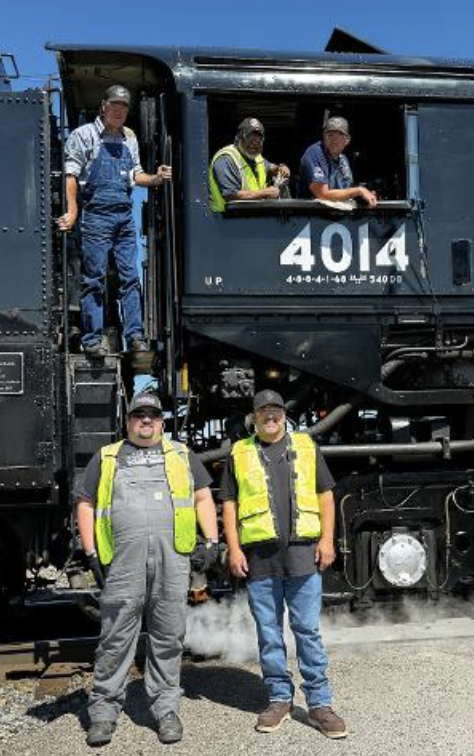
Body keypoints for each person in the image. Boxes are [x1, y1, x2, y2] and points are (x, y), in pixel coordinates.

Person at [75, 392, 219, 747]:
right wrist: (91, 551)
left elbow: (202, 497)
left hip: (173, 560)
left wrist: (212, 541)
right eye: (139, 414)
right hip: (123, 562)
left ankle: (166, 709)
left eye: (152, 415)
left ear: (162, 422)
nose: (146, 420)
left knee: (168, 637)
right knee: (115, 638)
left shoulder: (182, 455)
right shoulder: (107, 457)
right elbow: (85, 502)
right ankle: (104, 712)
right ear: (128, 420)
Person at [219, 389, 347, 739]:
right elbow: (229, 503)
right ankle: (279, 699)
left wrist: (327, 540)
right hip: (260, 558)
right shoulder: (239, 452)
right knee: (269, 633)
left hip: (303, 554)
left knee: (307, 630)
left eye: (276, 410)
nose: (270, 416)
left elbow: (326, 495)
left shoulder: (306, 446)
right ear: (254, 417)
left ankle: (319, 704)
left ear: (283, 414)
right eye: (264, 412)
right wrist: (234, 549)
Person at [58, 85, 172, 357]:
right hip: (96, 214)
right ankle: (92, 340)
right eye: (115, 105)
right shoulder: (83, 135)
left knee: (130, 278)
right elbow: (70, 176)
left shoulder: (129, 139)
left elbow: (136, 176)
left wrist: (156, 179)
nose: (119, 110)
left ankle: (135, 337)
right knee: (94, 280)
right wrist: (73, 211)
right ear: (103, 107)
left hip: (123, 214)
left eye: (124, 106)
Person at [209, 117, 291, 212]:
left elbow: (270, 168)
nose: (254, 143)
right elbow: (231, 195)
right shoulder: (226, 159)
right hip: (224, 221)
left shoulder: (256, 157)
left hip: (251, 219)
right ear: (239, 138)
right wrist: (266, 193)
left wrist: (280, 168)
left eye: (258, 139)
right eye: (250, 137)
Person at [297, 116, 377, 207]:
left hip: (339, 216)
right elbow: (322, 194)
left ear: (347, 140)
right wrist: (359, 191)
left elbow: (346, 191)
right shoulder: (314, 153)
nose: (334, 139)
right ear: (324, 137)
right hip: (309, 216)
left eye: (339, 134)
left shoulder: (343, 160)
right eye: (330, 134)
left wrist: (365, 195)